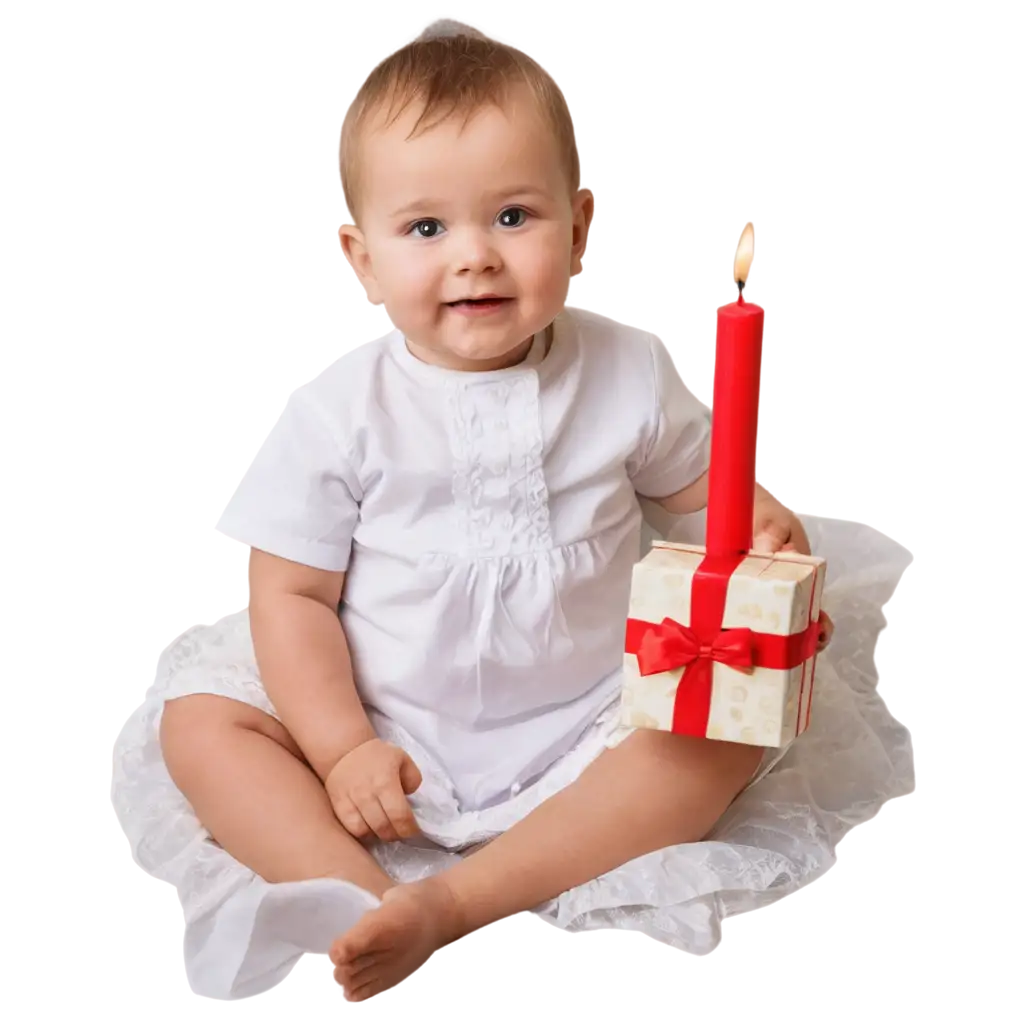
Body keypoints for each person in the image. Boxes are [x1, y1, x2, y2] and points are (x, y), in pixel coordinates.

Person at [105, 24, 918, 1008]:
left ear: (576, 229)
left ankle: (452, 900)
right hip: (383, 702)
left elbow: (703, 490)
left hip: (585, 707)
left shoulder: (627, 370)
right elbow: (292, 597)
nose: (475, 258)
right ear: (360, 259)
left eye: (512, 216)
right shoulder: (336, 412)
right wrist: (341, 745)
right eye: (425, 229)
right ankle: (358, 897)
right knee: (200, 726)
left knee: (724, 735)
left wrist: (762, 522)